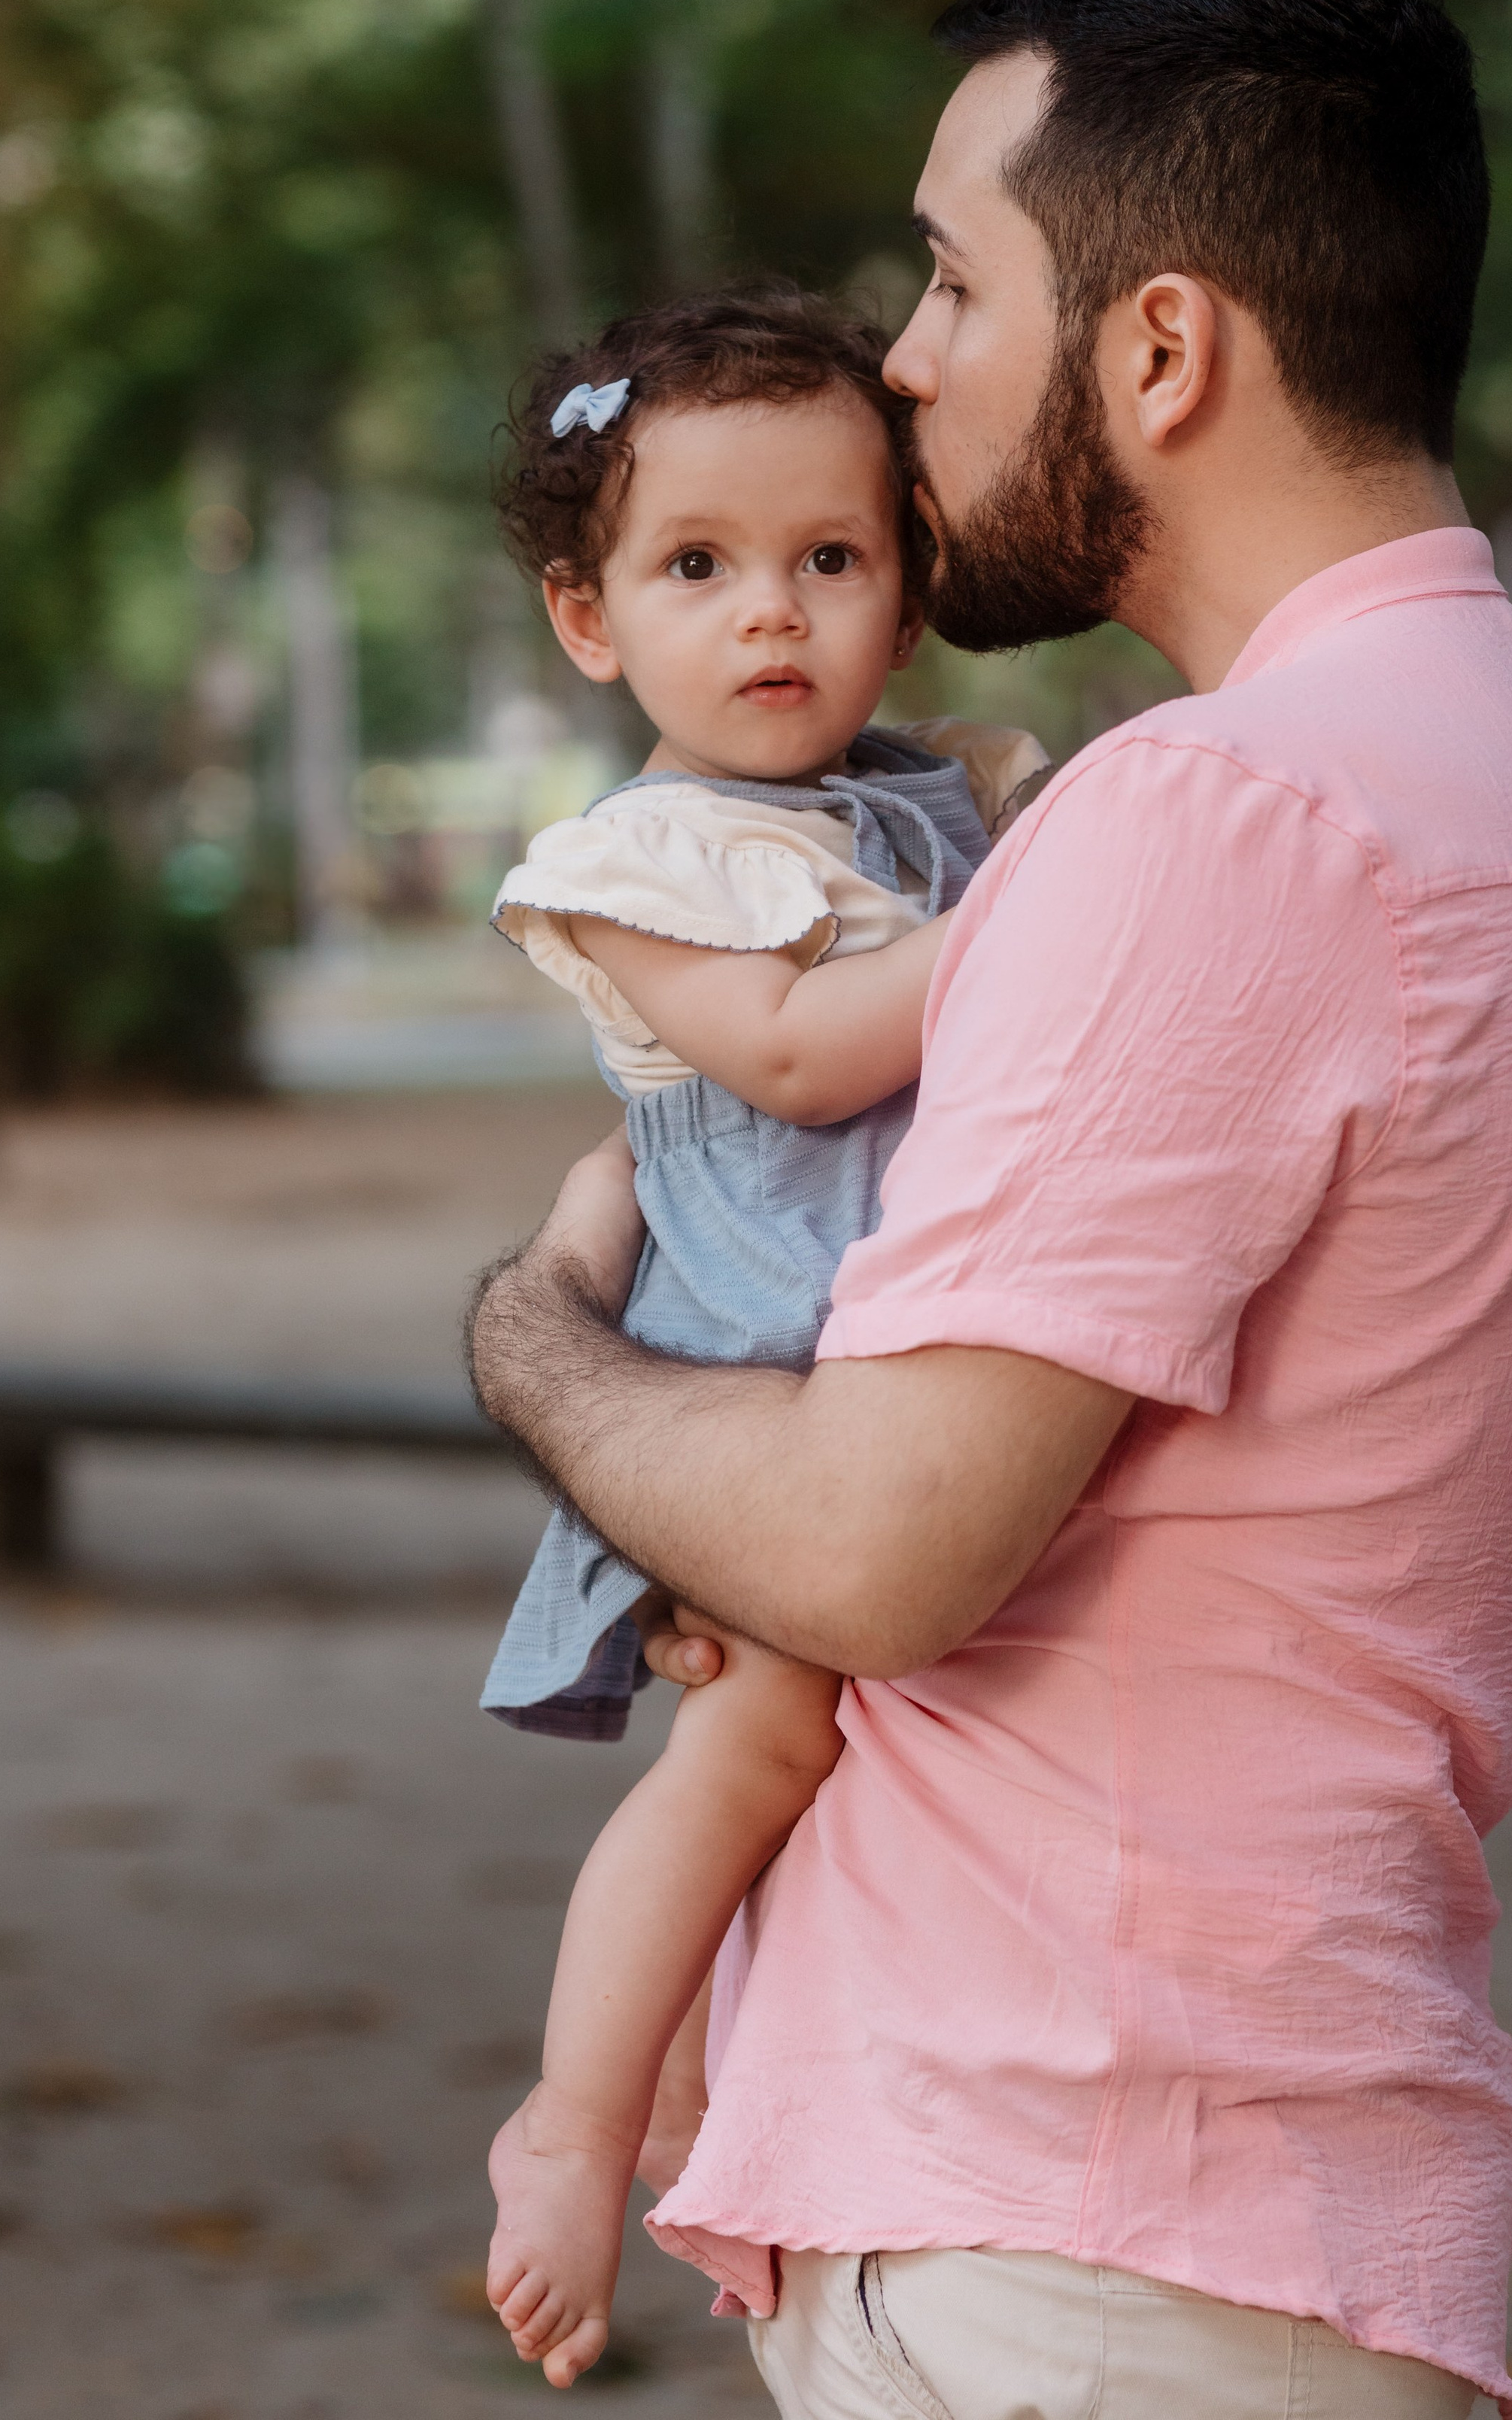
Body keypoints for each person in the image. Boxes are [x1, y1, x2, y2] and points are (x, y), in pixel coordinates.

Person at [467, 0, 1512, 2420]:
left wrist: (534, 1343)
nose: (903, 361)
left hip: (1085, 2240)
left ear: (1159, 349)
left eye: (953, 278)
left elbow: (868, 1548)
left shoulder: (1217, 813)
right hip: (1184, 2193)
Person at [474, 284, 1047, 2384]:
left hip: (897, 1372)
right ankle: (577, 2110)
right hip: (742, 1395)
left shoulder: (946, 790)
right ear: (590, 619)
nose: (773, 612)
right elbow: (802, 1058)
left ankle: (717, 2094)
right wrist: (1037, 926)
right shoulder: (638, 863)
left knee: (850, 1782)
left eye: (831, 557)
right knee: (766, 1741)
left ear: (906, 589)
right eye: (696, 567)